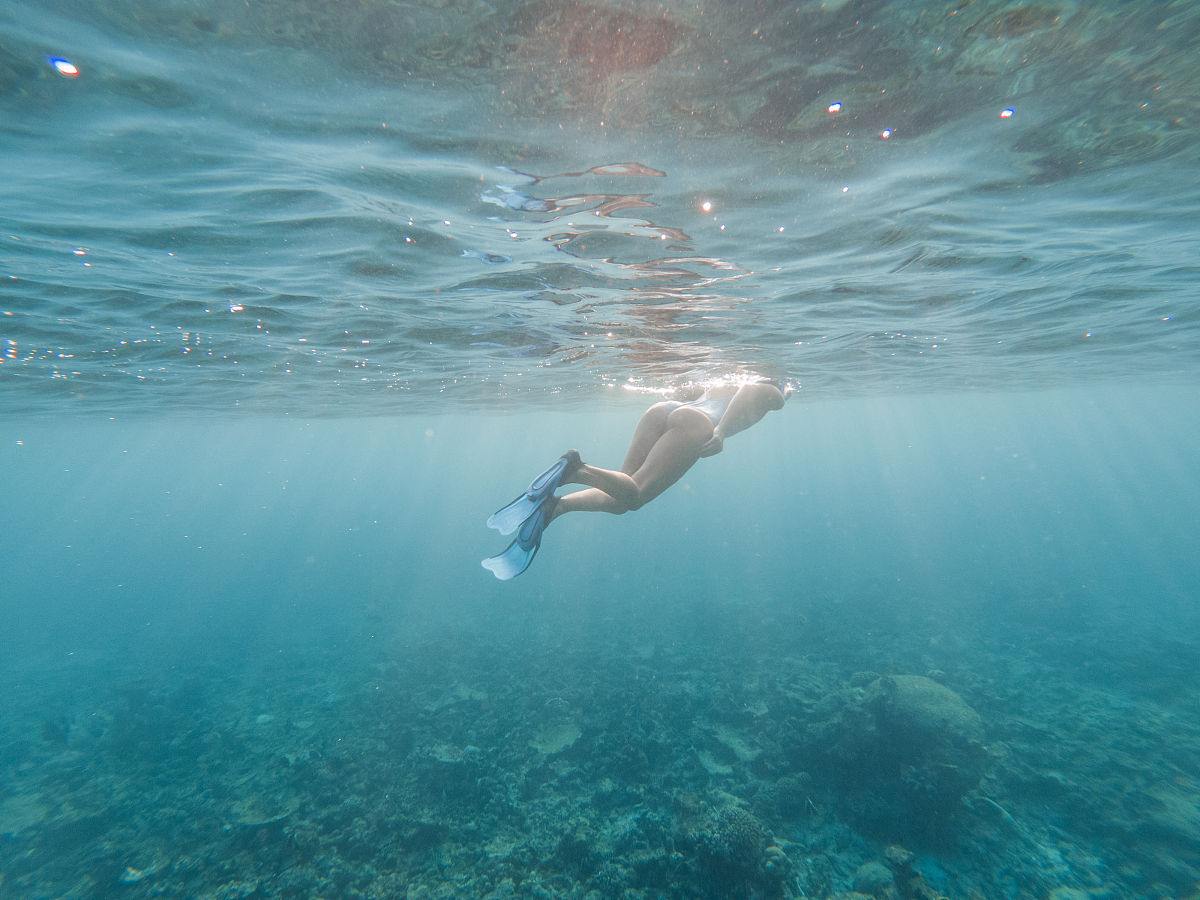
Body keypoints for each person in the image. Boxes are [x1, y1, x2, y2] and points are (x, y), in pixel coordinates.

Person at [482, 380, 788, 580]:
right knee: (636, 495)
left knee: (620, 495)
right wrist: (720, 433)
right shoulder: (776, 391)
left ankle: (555, 507)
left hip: (665, 411)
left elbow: (700, 392)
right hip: (698, 425)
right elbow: (753, 389)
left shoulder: (724, 381)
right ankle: (574, 470)